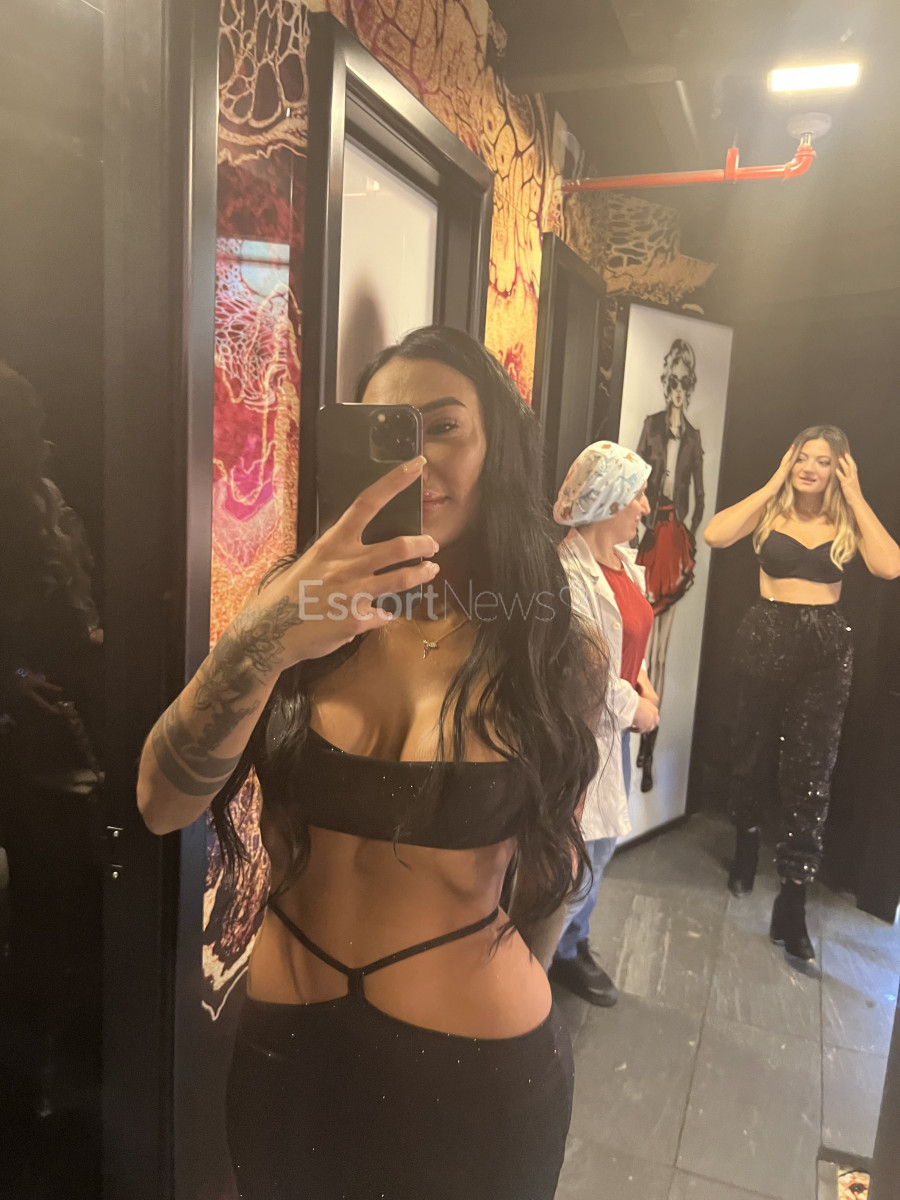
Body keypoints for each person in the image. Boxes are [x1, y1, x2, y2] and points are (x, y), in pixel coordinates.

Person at [137, 327, 608, 1200]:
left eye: (444, 427)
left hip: (480, 1071)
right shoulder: (295, 616)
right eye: (389, 433)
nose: (417, 462)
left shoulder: (550, 650)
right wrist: (269, 634)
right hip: (285, 1055)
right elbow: (161, 802)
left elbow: (551, 868)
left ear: (497, 449)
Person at [704, 426, 900, 962]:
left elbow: (889, 565)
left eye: (823, 460)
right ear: (789, 462)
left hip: (826, 648)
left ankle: (792, 900)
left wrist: (855, 495)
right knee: (750, 750)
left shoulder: (846, 520)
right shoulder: (772, 510)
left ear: (840, 467)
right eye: (802, 458)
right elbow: (716, 535)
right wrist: (773, 482)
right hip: (766, 633)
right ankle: (747, 843)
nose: (810, 468)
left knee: (812, 772)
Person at [541, 442, 659, 1005]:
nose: (645, 507)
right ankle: (538, 961)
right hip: (580, 737)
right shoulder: (568, 575)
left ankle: (568, 946)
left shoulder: (623, 564)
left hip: (612, 738)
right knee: (574, 856)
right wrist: (639, 709)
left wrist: (645, 683)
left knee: (601, 846)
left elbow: (629, 639)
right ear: (609, 498)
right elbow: (584, 672)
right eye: (637, 494)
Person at [634, 338, 704, 792]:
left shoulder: (693, 437)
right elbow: (634, 478)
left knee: (661, 652)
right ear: (666, 383)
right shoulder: (652, 426)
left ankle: (651, 744)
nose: (679, 389)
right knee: (642, 642)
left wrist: (689, 535)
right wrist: (638, 527)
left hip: (674, 538)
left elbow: (700, 496)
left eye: (685, 381)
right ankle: (640, 727)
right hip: (650, 534)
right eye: (674, 380)